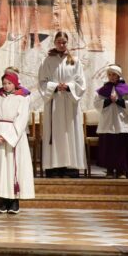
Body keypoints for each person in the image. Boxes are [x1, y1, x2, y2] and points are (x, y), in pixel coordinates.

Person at [38, 31, 86, 178]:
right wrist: (54, 86)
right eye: (59, 42)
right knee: (55, 134)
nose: (61, 44)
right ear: (54, 42)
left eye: (64, 42)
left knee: (70, 132)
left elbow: (81, 82)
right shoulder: (47, 61)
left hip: (70, 102)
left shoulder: (75, 61)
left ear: (67, 43)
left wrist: (69, 86)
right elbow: (42, 82)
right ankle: (54, 168)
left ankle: (71, 168)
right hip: (54, 102)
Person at [0, 71, 34, 214]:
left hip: (14, 138)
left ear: (15, 84)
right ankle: (4, 201)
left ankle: (14, 202)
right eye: (4, 83)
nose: (6, 86)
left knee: (13, 169)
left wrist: (7, 136)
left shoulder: (22, 99)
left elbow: (22, 119)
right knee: (1, 169)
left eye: (9, 83)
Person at [94, 64, 128, 178]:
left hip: (120, 121)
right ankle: (109, 170)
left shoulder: (126, 89)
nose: (111, 77)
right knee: (108, 147)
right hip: (107, 121)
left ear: (118, 75)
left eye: (113, 74)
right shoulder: (103, 89)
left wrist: (118, 100)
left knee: (120, 147)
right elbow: (96, 104)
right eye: (109, 74)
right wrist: (109, 100)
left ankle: (121, 171)